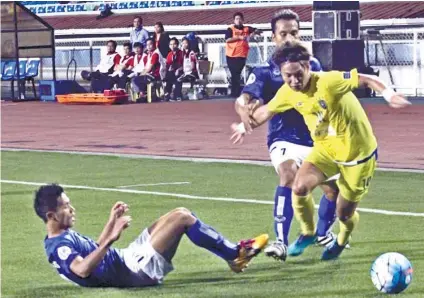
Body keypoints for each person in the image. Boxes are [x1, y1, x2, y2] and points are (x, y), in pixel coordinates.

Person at [236, 42, 411, 260]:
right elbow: (264, 113)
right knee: (298, 187)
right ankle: (308, 232)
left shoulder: (329, 81)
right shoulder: (287, 92)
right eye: (287, 76)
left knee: (344, 214)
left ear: (308, 66)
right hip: (326, 151)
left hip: (358, 157)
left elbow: (366, 78)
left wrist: (389, 95)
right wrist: (244, 124)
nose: (293, 81)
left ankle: (341, 240)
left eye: (298, 74)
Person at [232, 10, 339, 262]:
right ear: (274, 36)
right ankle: (281, 241)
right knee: (288, 175)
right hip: (284, 138)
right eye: (283, 33)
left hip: (316, 139)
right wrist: (243, 110)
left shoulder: (312, 65)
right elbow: (245, 97)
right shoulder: (264, 71)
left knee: (334, 191)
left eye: (294, 32)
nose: (289, 37)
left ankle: (322, 233)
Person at [36, 184, 269, 287]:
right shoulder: (60, 247)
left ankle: (234, 256)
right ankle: (235, 254)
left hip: (126, 259)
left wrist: (111, 221)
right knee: (183, 219)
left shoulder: (59, 240)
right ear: (51, 215)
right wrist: (111, 239)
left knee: (179, 212)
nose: (72, 209)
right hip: (134, 272)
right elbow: (82, 270)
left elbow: (93, 254)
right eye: (66, 206)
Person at [225, 12, 261, 98]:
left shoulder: (246, 28)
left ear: (243, 20)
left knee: (238, 73)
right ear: (234, 20)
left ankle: (236, 92)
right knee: (234, 74)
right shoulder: (231, 29)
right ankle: (235, 92)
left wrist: (254, 33)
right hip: (231, 56)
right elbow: (227, 40)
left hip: (242, 55)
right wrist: (239, 37)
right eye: (237, 19)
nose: (239, 20)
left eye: (240, 19)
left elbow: (257, 30)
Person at [164, 37, 184, 101]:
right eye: (171, 44)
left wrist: (178, 69)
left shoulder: (181, 53)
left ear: (177, 45)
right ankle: (167, 93)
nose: (172, 46)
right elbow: (167, 64)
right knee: (169, 75)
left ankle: (177, 94)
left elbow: (184, 65)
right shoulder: (169, 54)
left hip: (181, 71)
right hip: (172, 72)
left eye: (174, 44)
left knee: (178, 77)